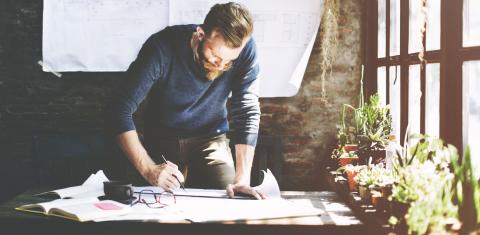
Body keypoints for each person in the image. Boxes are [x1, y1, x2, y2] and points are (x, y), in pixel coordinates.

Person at [107, 2, 265, 199]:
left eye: (229, 60)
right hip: (162, 136)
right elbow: (119, 109)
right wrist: (149, 170)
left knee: (229, 200)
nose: (222, 65)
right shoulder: (162, 47)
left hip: (211, 137)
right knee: (153, 205)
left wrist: (242, 179)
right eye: (216, 56)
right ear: (200, 34)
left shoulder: (246, 49)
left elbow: (247, 111)